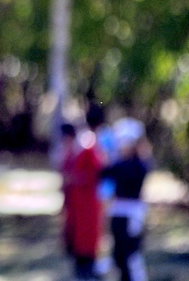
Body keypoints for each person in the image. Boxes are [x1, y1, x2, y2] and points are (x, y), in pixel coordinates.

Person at [101, 118, 151, 281]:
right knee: (119, 255)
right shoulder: (123, 163)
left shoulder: (137, 165)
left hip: (133, 214)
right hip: (119, 212)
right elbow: (103, 173)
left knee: (132, 255)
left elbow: (110, 172)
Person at [58, 122, 105, 280]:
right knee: (75, 245)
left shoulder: (87, 148)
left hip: (87, 206)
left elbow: (96, 174)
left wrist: (74, 179)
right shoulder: (70, 153)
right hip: (75, 208)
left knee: (87, 245)